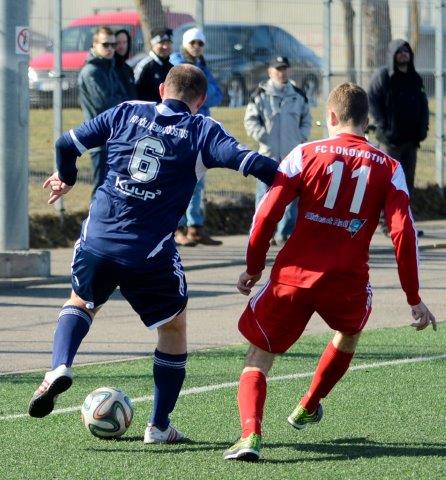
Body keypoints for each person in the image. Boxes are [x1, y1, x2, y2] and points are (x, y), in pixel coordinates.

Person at [27, 65, 278, 445]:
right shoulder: (202, 130)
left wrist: (67, 177)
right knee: (173, 328)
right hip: (149, 253)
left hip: (98, 240)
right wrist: (301, 183)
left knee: (81, 302)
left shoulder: (126, 111)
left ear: (162, 89)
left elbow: (66, 143)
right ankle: (159, 425)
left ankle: (59, 367)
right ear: (201, 99)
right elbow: (257, 165)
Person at [224, 83, 436, 462]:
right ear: (367, 121)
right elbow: (403, 233)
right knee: (349, 333)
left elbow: (267, 214)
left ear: (332, 117)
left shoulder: (304, 153)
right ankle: (309, 404)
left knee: (259, 355)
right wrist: (414, 297)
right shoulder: (389, 167)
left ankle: (250, 436)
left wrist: (253, 267)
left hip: (293, 276)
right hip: (346, 280)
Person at [244, 56, 312, 245]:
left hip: (292, 155)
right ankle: (263, 234)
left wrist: (300, 138)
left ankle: (285, 233)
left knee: (291, 196)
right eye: (278, 69)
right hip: (268, 154)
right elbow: (250, 120)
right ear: (270, 72)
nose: (282, 72)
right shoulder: (259, 94)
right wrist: (263, 136)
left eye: (284, 69)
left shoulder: (298, 95)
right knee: (264, 196)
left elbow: (306, 120)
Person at [368, 39, 429, 237]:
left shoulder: (415, 78)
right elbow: (373, 101)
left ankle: (404, 223)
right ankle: (387, 224)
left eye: (406, 51)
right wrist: (384, 126)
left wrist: (423, 129)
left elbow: (423, 105)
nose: (403, 54)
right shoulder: (383, 76)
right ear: (392, 54)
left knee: (406, 185)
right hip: (390, 143)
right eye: (399, 51)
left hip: (411, 142)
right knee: (388, 183)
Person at [171, 27, 224, 246]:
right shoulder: (177, 64)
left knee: (198, 179)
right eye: (192, 43)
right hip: (183, 128)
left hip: (201, 130)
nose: (196, 47)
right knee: (178, 180)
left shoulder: (202, 66)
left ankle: (196, 227)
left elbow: (216, 95)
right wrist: (201, 94)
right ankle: (177, 228)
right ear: (185, 44)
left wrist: (201, 95)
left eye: (200, 43)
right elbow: (185, 95)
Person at [78, 26, 128, 195]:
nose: (110, 49)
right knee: (101, 189)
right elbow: (105, 103)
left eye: (113, 45)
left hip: (114, 137)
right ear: (94, 45)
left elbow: (123, 96)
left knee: (115, 189)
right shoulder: (92, 71)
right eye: (106, 45)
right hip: (100, 140)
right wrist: (125, 104)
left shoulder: (110, 67)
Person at [134, 28, 173, 102]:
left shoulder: (171, 67)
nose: (165, 46)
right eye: (161, 43)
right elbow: (134, 91)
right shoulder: (145, 66)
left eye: (168, 43)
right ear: (153, 44)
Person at [114, 29, 137, 100]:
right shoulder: (110, 68)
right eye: (118, 43)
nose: (122, 46)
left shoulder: (128, 69)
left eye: (124, 42)